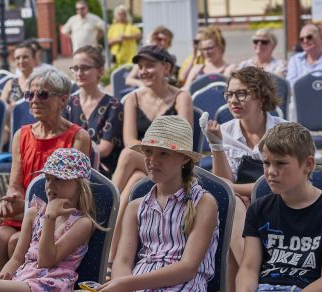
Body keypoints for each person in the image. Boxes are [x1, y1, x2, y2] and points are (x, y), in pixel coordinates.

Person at [0, 69, 91, 277]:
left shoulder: (78, 137)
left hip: (58, 215)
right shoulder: (21, 135)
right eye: (29, 95)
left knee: (16, 241)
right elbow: (15, 184)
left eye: (42, 94)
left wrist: (28, 210)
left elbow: (73, 191)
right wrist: (11, 201)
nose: (34, 100)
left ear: (63, 99)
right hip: (24, 212)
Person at [98, 115, 219, 292]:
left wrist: (126, 283)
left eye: (163, 153)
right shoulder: (136, 207)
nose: (152, 160)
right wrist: (124, 284)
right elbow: (122, 261)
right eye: (148, 152)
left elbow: (188, 268)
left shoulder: (203, 202)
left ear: (184, 159)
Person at [0, 148, 104, 292]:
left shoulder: (82, 223)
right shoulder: (33, 213)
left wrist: (50, 218)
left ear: (80, 184)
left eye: (59, 179)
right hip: (25, 279)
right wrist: (6, 275)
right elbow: (17, 259)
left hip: (50, 284)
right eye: (48, 179)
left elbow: (46, 261)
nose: (50, 186)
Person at [108, 45, 193, 273]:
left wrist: (155, 151)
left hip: (172, 164)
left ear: (165, 67)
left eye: (150, 65)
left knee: (128, 158)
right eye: (141, 66)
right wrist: (150, 153)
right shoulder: (132, 99)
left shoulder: (181, 97)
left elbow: (184, 140)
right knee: (134, 179)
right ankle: (112, 255)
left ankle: (106, 203)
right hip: (143, 163)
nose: (144, 71)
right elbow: (129, 139)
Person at [200, 66, 286, 291]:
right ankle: (258, 282)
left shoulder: (282, 130)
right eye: (229, 94)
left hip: (279, 201)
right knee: (232, 208)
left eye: (241, 93)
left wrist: (241, 190)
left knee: (233, 207)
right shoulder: (225, 131)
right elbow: (222, 185)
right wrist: (216, 145)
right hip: (242, 204)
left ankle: (254, 278)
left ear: (260, 95)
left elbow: (283, 180)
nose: (233, 100)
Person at [236, 122, 322, 291]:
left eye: (281, 163)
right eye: (266, 163)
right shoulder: (258, 209)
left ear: (308, 164)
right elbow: (248, 268)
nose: (271, 172)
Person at [62, 45, 123, 177]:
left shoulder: (113, 105)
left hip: (101, 171)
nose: (79, 73)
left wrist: (73, 158)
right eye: (75, 68)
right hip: (68, 168)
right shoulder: (68, 104)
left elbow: (105, 149)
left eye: (85, 68)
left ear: (100, 71)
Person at [287, 24, 322, 121]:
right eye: (302, 39)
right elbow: (291, 86)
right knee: (292, 106)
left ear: (321, 38)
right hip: (302, 102)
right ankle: (293, 134)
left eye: (309, 37)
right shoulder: (295, 60)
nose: (305, 41)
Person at [183, 26, 235, 90]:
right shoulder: (197, 69)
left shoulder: (230, 69)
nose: (206, 52)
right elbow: (184, 91)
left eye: (210, 48)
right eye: (204, 49)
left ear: (221, 46)